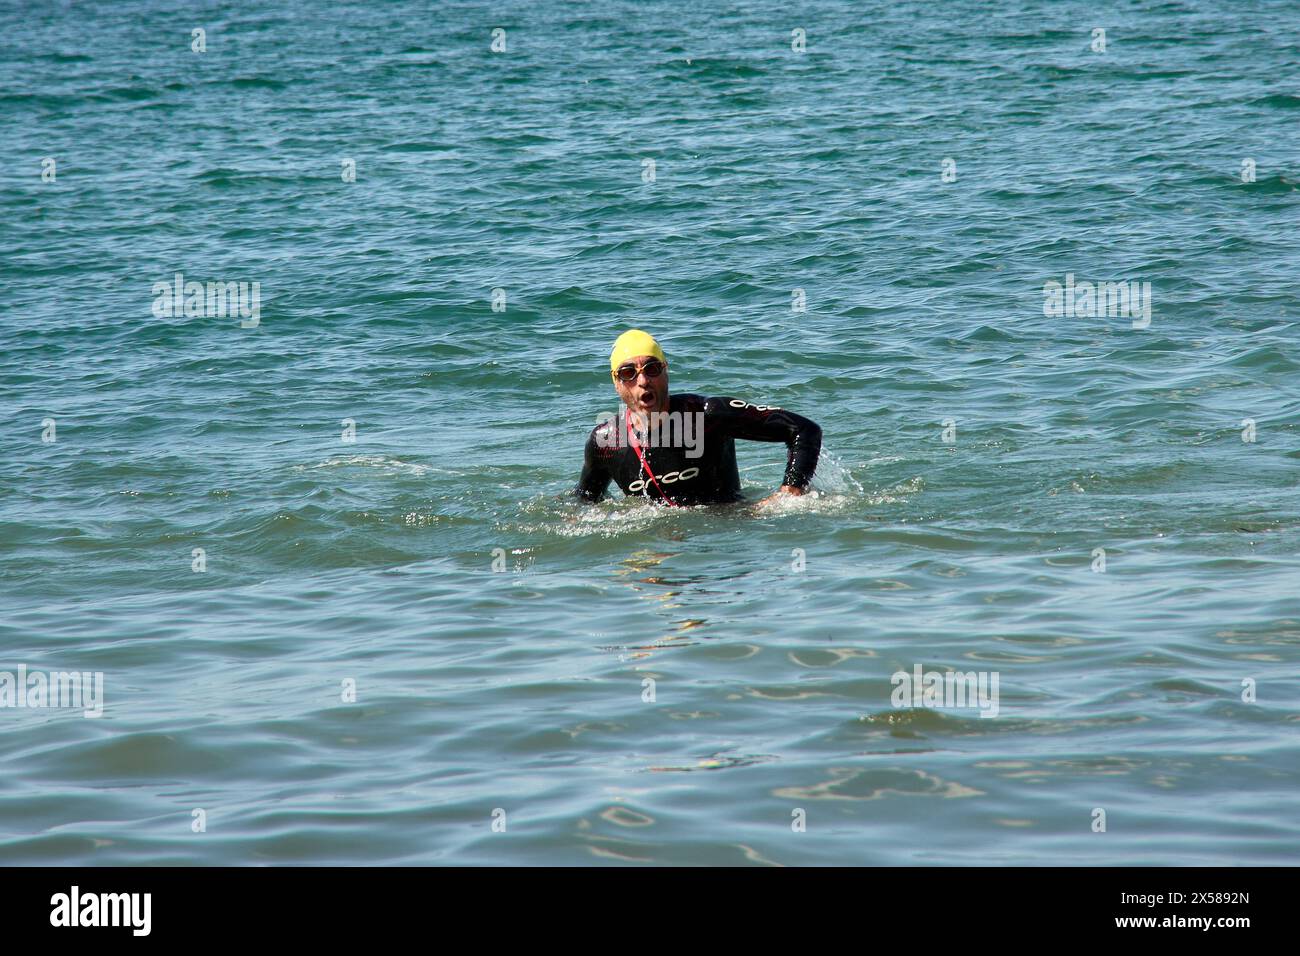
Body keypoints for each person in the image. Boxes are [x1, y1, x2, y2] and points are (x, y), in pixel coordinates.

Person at [574, 329, 822, 506]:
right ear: (616, 383)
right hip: (655, 547)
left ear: (666, 371)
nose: (643, 381)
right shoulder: (605, 442)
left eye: (652, 369)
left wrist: (790, 491)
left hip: (730, 538)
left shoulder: (707, 415)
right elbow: (584, 503)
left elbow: (803, 430)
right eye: (629, 373)